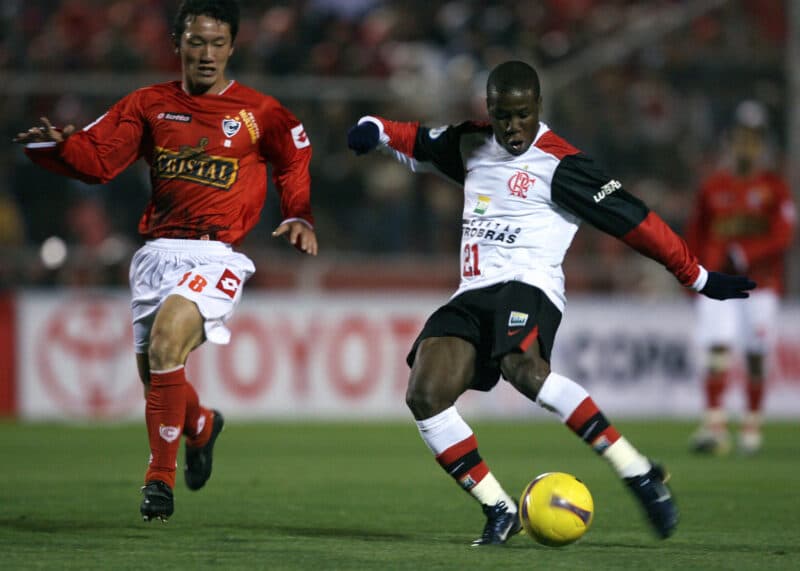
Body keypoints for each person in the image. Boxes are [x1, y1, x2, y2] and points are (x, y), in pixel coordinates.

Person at [346, 60, 755, 546]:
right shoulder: (471, 143)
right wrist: (373, 129)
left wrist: (696, 274)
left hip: (529, 285)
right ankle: (500, 509)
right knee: (425, 395)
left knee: (523, 368)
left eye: (522, 114)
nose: (512, 127)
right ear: (489, 110)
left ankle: (636, 471)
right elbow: (414, 140)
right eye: (502, 116)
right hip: (472, 292)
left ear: (538, 106)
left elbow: (635, 222)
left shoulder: (562, 164)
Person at [14, 0, 318, 522]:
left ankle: (159, 480)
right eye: (196, 42)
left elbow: (294, 156)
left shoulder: (259, 111)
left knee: (165, 342)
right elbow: (100, 160)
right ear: (178, 44)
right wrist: (62, 148)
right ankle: (200, 425)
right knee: (156, 374)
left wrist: (299, 214)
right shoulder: (148, 104)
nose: (207, 54)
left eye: (218, 43)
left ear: (232, 47)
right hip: (156, 254)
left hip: (216, 253)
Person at [685, 100, 795, 455]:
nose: (745, 147)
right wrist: (692, 274)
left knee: (756, 353)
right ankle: (715, 425)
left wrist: (748, 254)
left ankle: (751, 424)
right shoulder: (713, 187)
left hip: (761, 284)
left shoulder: (775, 188)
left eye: (752, 140)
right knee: (717, 348)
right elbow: (696, 233)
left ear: (761, 145)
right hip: (719, 283)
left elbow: (784, 234)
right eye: (740, 139)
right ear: (730, 143)